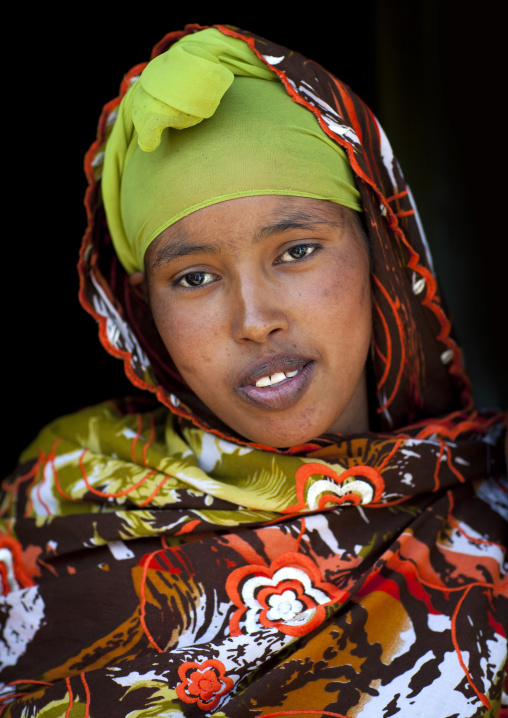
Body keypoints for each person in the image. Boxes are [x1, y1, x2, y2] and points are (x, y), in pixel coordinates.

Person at [0, 23, 506, 717]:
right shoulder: (60, 503)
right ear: (145, 312)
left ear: (378, 251)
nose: (253, 318)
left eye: (297, 251)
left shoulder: (492, 520)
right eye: (195, 276)